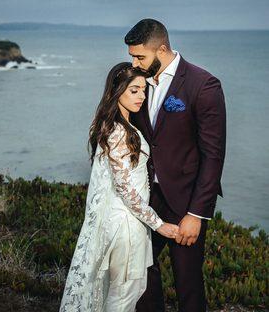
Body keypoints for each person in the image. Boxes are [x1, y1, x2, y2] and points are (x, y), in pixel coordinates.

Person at [59, 62, 179, 312]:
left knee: (122, 294)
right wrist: (160, 225)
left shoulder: (114, 126)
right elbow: (126, 190)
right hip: (125, 226)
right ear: (118, 90)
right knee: (123, 297)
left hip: (121, 222)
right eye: (134, 90)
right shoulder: (119, 133)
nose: (141, 96)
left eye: (144, 90)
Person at [126, 19, 226, 312]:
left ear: (163, 49)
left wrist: (196, 214)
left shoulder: (203, 85)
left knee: (188, 284)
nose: (134, 62)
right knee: (141, 272)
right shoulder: (138, 83)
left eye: (140, 56)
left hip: (185, 202)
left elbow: (213, 156)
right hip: (147, 198)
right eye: (132, 56)